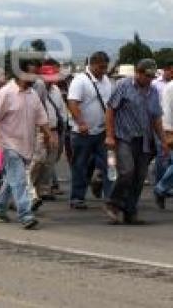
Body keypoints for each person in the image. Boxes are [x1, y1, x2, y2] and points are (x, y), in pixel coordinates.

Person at [0, 62, 53, 230]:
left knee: (12, 180)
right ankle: (26, 214)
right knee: (20, 180)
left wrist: (49, 135)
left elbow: (42, 118)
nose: (35, 78)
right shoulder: (6, 93)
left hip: (26, 145)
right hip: (9, 144)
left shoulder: (33, 94)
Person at [102, 59, 168, 224]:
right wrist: (109, 135)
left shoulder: (153, 92)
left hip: (144, 140)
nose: (149, 79)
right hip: (124, 137)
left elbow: (156, 118)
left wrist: (163, 140)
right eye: (147, 75)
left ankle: (130, 211)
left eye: (152, 76)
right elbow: (110, 110)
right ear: (138, 73)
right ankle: (113, 203)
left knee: (139, 177)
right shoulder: (123, 86)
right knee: (127, 172)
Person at [66, 51, 113, 210]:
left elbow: (109, 105)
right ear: (92, 65)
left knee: (109, 165)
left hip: (102, 132)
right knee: (81, 166)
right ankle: (77, 198)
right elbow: (72, 103)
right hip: (82, 134)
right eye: (101, 67)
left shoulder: (106, 80)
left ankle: (111, 198)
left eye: (106, 67)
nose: (104, 70)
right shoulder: (80, 81)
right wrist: (81, 123)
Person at [29, 64, 67, 207]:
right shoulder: (36, 89)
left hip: (55, 129)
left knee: (50, 162)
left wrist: (62, 127)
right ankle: (29, 190)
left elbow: (61, 109)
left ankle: (42, 190)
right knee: (38, 161)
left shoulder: (56, 90)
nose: (51, 80)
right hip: (40, 130)